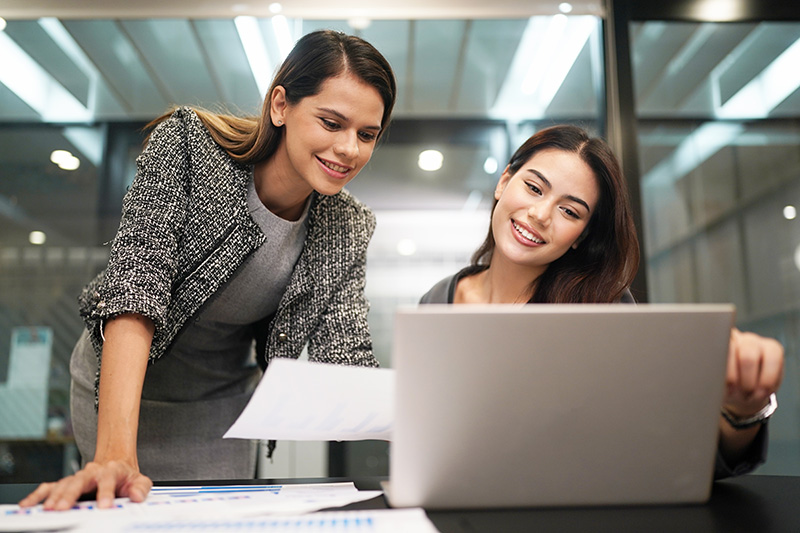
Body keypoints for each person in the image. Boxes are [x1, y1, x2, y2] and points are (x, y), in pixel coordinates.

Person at [20, 29, 396, 510]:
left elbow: (344, 354)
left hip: (221, 403)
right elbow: (137, 288)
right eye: (331, 122)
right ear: (280, 105)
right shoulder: (189, 147)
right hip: (124, 385)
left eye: (367, 135)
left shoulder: (347, 222)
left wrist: (423, 437)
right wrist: (115, 452)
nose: (349, 149)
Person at [420, 124, 784, 479]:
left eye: (570, 211)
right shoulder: (437, 301)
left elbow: (679, 450)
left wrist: (743, 409)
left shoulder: (601, 308)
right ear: (504, 182)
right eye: (534, 188)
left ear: (581, 236)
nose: (541, 215)